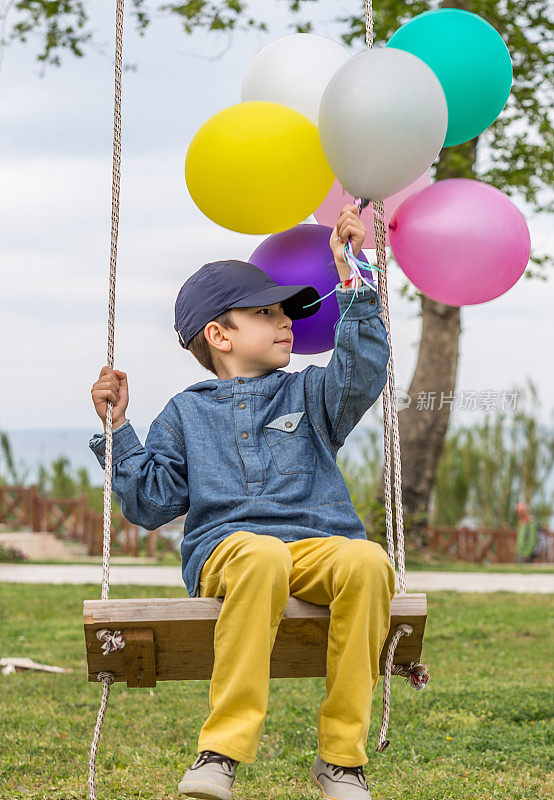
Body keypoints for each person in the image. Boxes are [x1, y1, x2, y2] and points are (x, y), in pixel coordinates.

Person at [90, 204, 394, 800]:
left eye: (285, 312)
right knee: (260, 556)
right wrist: (120, 429)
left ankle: (341, 761)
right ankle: (220, 752)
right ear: (220, 335)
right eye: (266, 313)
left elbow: (361, 372)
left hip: (318, 546)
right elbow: (151, 503)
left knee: (367, 562)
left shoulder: (310, 392)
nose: (286, 323)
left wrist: (353, 277)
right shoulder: (185, 412)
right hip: (230, 555)